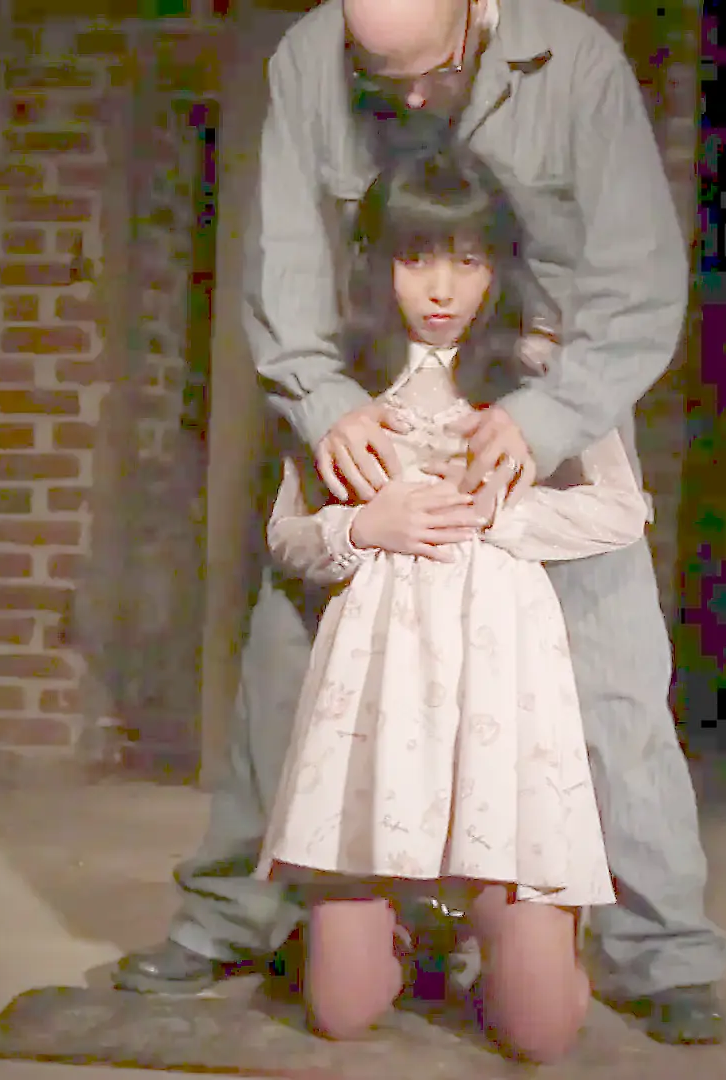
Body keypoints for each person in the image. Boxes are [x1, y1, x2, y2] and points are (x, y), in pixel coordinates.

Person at [113, 0, 726, 1044]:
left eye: (425, 74)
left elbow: (638, 287)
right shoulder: (310, 58)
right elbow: (285, 258)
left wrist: (544, 425)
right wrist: (323, 403)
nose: (403, 100)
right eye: (378, 79)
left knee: (611, 678)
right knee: (291, 658)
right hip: (373, 390)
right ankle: (235, 913)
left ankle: (660, 951)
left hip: (551, 390)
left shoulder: (576, 63)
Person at [259, 145, 639, 1062]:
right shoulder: (344, 380)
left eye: (467, 262)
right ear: (377, 263)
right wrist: (366, 526)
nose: (440, 289)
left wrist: (502, 515)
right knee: (342, 1011)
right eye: (415, 258)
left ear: (497, 266)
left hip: (500, 662)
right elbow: (286, 534)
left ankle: (505, 932)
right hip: (380, 670)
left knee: (539, 1032)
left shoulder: (541, 372)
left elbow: (622, 509)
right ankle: (404, 927)